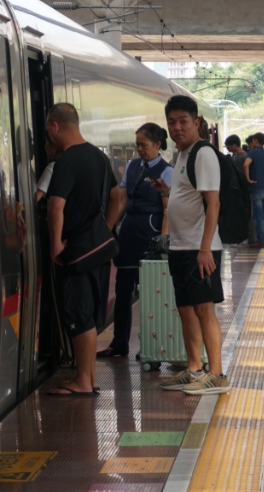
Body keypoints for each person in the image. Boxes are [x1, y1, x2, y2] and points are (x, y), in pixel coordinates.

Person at [155, 95, 230, 395]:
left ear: (196, 123)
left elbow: (214, 204)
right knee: (186, 310)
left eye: (183, 121)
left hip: (200, 248)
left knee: (203, 309)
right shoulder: (183, 154)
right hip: (181, 247)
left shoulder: (203, 153)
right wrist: (168, 191)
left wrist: (205, 248)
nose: (177, 127)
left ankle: (217, 375)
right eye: (171, 122)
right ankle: (194, 369)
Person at [45, 103, 117, 396]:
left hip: (75, 252)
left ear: (55, 127)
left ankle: (83, 382)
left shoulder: (67, 161)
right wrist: (103, 230)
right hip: (97, 250)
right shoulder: (99, 156)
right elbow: (117, 196)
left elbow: (55, 206)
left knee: (79, 313)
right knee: (89, 313)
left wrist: (55, 245)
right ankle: (90, 377)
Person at [100, 123, 171, 358]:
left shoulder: (166, 171)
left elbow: (167, 209)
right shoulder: (132, 167)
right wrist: (109, 228)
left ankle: (150, 345)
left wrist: (163, 238)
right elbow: (122, 201)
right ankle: (119, 343)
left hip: (151, 233)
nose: (139, 149)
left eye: (143, 145)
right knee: (123, 290)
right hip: (130, 232)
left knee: (150, 292)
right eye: (137, 144)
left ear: (157, 144)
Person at [243, 133, 264, 247]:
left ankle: (261, 240)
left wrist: (248, 179)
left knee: (259, 215)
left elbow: (246, 165)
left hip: (257, 187)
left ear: (255, 140)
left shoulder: (252, 152)